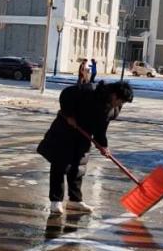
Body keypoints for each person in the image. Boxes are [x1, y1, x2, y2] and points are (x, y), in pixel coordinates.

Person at [37, 80, 134, 215]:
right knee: (60, 164)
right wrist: (69, 114)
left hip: (84, 134)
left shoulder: (113, 108)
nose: (120, 105)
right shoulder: (90, 91)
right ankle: (56, 201)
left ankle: (75, 200)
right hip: (66, 128)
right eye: (120, 101)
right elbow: (66, 94)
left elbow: (101, 128)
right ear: (114, 94)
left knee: (78, 166)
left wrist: (103, 145)